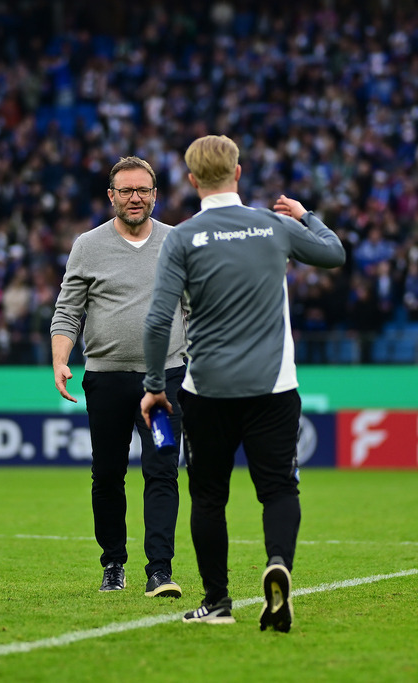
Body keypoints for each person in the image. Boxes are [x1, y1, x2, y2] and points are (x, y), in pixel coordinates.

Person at [139, 135, 345, 631]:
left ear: (192, 182)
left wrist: (153, 384)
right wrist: (305, 215)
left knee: (209, 497)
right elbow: (334, 254)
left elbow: (156, 322)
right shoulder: (274, 224)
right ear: (237, 173)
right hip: (274, 387)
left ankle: (217, 602)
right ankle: (278, 564)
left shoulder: (183, 238)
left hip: (207, 389)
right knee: (277, 490)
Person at [50, 156, 187, 598]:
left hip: (164, 381)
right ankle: (113, 563)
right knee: (107, 473)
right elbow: (68, 310)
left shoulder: (177, 242)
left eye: (142, 190)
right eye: (125, 190)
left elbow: (197, 308)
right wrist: (60, 360)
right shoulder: (87, 246)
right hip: (107, 381)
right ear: (111, 196)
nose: (134, 197)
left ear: (154, 194)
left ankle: (160, 570)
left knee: (163, 469)